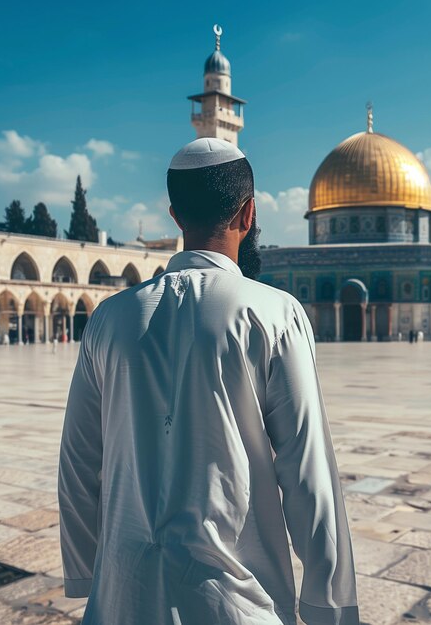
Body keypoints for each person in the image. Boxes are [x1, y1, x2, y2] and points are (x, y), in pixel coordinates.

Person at [58, 138, 359, 625]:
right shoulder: (274, 314)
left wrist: (85, 571)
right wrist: (329, 602)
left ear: (175, 216)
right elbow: (308, 470)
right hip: (238, 603)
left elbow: (77, 461)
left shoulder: (108, 319)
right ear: (249, 214)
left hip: (123, 598)